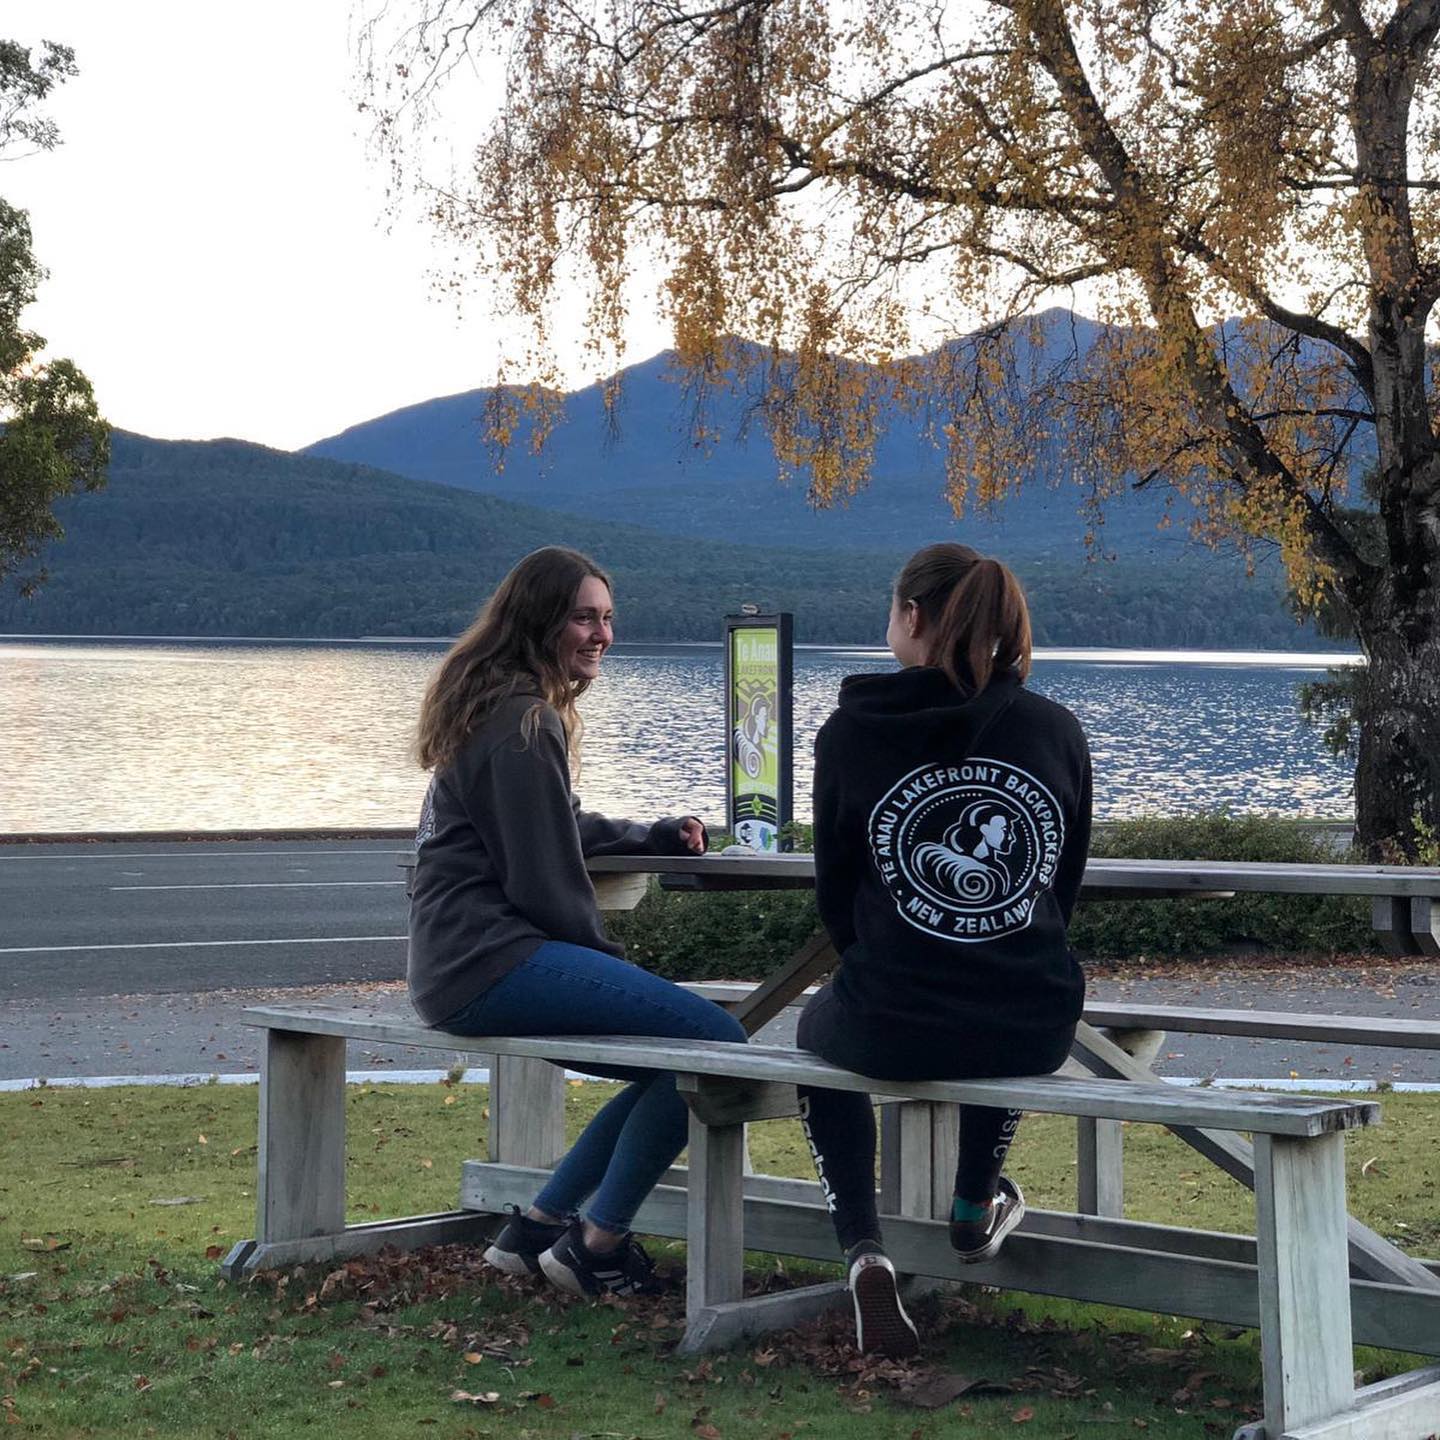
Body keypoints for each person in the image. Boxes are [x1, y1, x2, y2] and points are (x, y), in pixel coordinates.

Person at [407, 545, 747, 1297]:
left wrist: (650, 837)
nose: (602, 635)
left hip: (457, 963)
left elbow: (552, 827)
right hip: (491, 964)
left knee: (683, 1059)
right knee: (720, 1047)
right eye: (584, 618)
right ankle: (594, 1244)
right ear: (541, 623)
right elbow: (544, 881)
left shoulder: (499, 708)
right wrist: (610, 960)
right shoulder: (525, 722)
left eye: (608, 619)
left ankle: (536, 1228)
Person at [796, 542, 1092, 1358]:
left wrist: (884, 957)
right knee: (1004, 988)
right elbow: (1056, 891)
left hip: (888, 1020)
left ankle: (863, 1247)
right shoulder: (1055, 729)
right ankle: (971, 1209)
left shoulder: (851, 731)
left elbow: (835, 889)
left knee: (814, 1049)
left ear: (913, 617)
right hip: (1030, 1023)